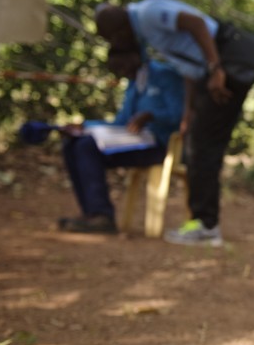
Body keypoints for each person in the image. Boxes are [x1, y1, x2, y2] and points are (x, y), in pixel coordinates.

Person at [95, 0, 254, 247]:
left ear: (119, 31)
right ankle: (203, 223)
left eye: (114, 39)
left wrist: (216, 68)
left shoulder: (147, 14)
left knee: (203, 145)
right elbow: (188, 70)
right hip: (213, 68)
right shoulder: (146, 31)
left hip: (225, 60)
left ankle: (205, 226)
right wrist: (187, 114)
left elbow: (196, 24)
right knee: (198, 140)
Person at [54, 59, 184, 234]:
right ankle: (91, 214)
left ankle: (102, 216)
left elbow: (180, 115)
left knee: (86, 147)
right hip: (132, 142)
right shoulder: (134, 81)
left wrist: (151, 116)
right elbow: (121, 123)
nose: (118, 66)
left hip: (161, 145)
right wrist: (86, 126)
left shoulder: (165, 75)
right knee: (73, 143)